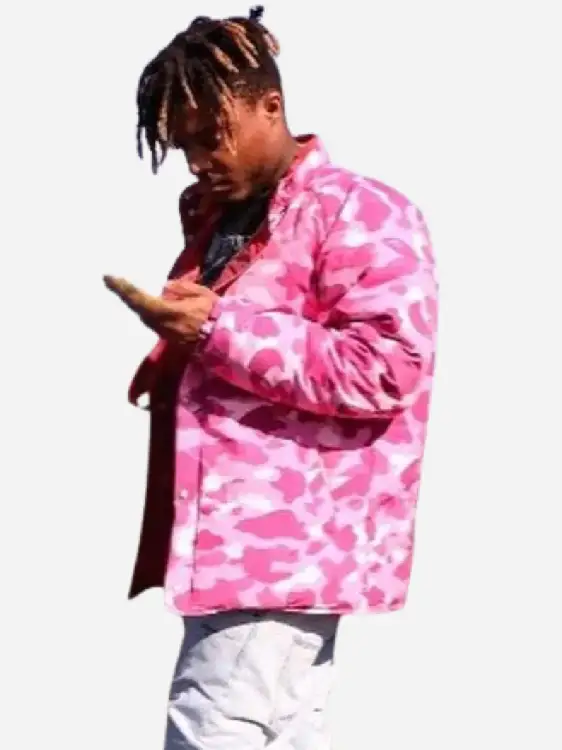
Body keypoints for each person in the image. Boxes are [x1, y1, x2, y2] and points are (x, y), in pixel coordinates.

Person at [104, 6, 438, 749]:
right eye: (183, 144)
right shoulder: (226, 215)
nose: (197, 160)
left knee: (212, 729)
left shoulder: (359, 210)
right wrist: (173, 361)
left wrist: (215, 329)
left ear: (271, 106)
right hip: (244, 546)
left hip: (281, 547)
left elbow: (387, 367)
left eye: (211, 135)